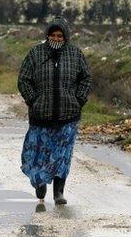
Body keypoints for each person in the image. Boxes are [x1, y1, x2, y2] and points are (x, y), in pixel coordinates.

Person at [17, 17, 91, 205]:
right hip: (41, 115)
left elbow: (85, 79)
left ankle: (58, 192)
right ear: (47, 35)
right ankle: (39, 182)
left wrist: (79, 100)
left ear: (66, 37)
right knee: (37, 154)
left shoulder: (75, 54)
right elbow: (24, 80)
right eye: (53, 35)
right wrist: (33, 100)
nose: (56, 39)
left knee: (62, 156)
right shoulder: (35, 53)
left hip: (68, 116)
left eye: (60, 36)